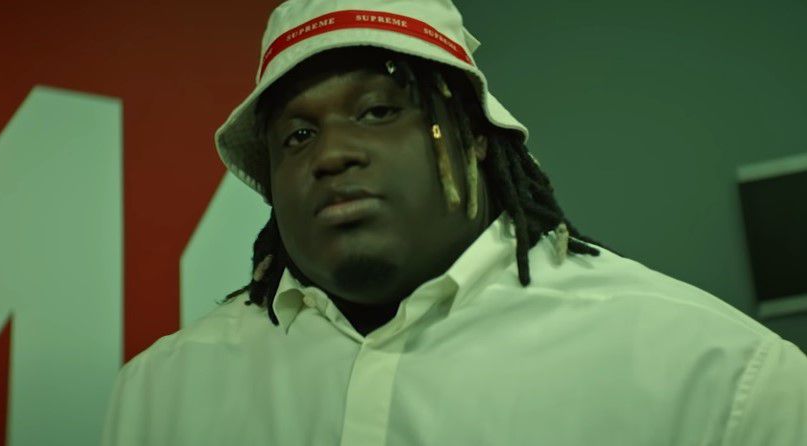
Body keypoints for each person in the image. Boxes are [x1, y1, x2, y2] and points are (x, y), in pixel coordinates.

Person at [101, 0, 807, 444]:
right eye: (297, 136)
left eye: (379, 111)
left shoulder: (714, 372)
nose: (332, 153)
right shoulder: (163, 393)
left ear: (474, 138)